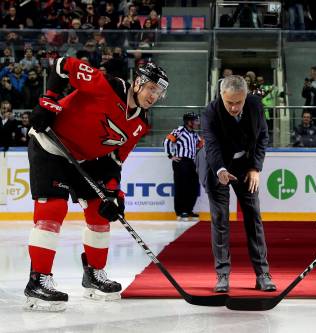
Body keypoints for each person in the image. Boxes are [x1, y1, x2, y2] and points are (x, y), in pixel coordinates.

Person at [25, 57, 169, 312]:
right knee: (53, 209)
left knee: (100, 212)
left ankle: (94, 275)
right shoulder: (108, 86)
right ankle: (38, 280)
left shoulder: (140, 123)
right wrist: (48, 100)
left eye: (159, 93)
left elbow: (115, 159)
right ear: (139, 83)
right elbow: (63, 64)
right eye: (151, 89)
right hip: (50, 143)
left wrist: (113, 192)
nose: (154, 96)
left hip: (85, 158)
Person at [201, 75, 276, 293]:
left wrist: (255, 168)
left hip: (246, 165)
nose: (234, 107)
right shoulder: (210, 112)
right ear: (221, 96)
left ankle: (262, 274)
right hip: (218, 165)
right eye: (229, 102)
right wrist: (221, 171)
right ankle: (222, 274)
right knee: (220, 219)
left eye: (238, 102)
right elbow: (212, 146)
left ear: (246, 97)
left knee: (253, 217)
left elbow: (262, 137)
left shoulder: (255, 105)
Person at [164, 112, 203, 221]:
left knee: (193, 186)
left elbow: (200, 144)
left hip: (191, 162)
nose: (198, 123)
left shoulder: (194, 134)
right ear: (189, 122)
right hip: (181, 162)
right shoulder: (179, 130)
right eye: (195, 120)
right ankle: (180, 211)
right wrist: (170, 155)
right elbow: (167, 141)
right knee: (182, 186)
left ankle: (189, 209)